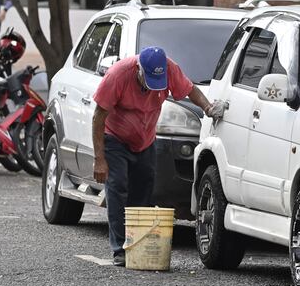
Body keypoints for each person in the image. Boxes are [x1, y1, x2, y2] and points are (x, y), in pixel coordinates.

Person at [92, 47, 225, 266]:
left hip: (145, 138)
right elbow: (99, 116)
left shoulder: (170, 69)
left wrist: (208, 108)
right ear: (139, 69)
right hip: (115, 138)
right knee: (117, 188)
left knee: (144, 189)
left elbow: (190, 90)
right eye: (149, 79)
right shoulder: (118, 75)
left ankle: (137, 243)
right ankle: (119, 249)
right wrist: (99, 158)